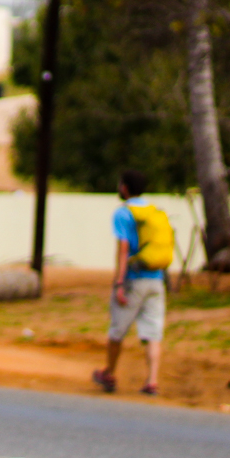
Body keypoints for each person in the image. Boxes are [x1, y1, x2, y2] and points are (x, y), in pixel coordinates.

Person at [93, 169, 165, 396]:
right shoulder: (153, 211)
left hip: (134, 279)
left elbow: (123, 248)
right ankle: (152, 380)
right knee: (152, 333)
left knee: (118, 329)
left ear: (124, 188)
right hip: (156, 280)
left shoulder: (123, 214)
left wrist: (119, 282)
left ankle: (110, 373)